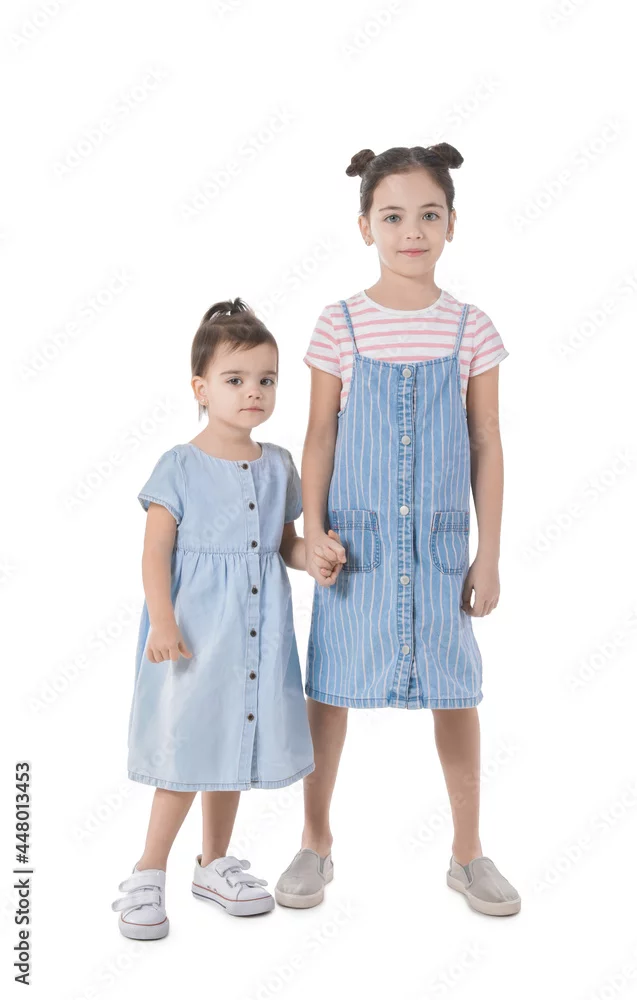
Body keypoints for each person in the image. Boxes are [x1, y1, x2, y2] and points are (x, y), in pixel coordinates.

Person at [274, 144, 521, 917]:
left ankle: (467, 852)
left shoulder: (471, 328)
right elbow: (319, 435)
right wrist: (314, 530)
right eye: (392, 216)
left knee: (456, 693)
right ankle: (314, 840)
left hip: (440, 549)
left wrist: (488, 554)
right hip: (357, 549)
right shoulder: (339, 324)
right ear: (364, 227)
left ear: (451, 224)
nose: (410, 231)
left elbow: (486, 441)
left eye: (427, 215)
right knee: (329, 690)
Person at [111, 299, 341, 938]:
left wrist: (314, 557)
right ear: (201, 389)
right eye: (235, 379)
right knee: (187, 751)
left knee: (234, 747)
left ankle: (213, 863)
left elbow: (283, 545)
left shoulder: (278, 465)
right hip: (193, 641)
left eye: (266, 379)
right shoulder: (180, 466)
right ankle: (147, 870)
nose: (253, 392)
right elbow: (155, 551)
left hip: (256, 641)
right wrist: (163, 621)